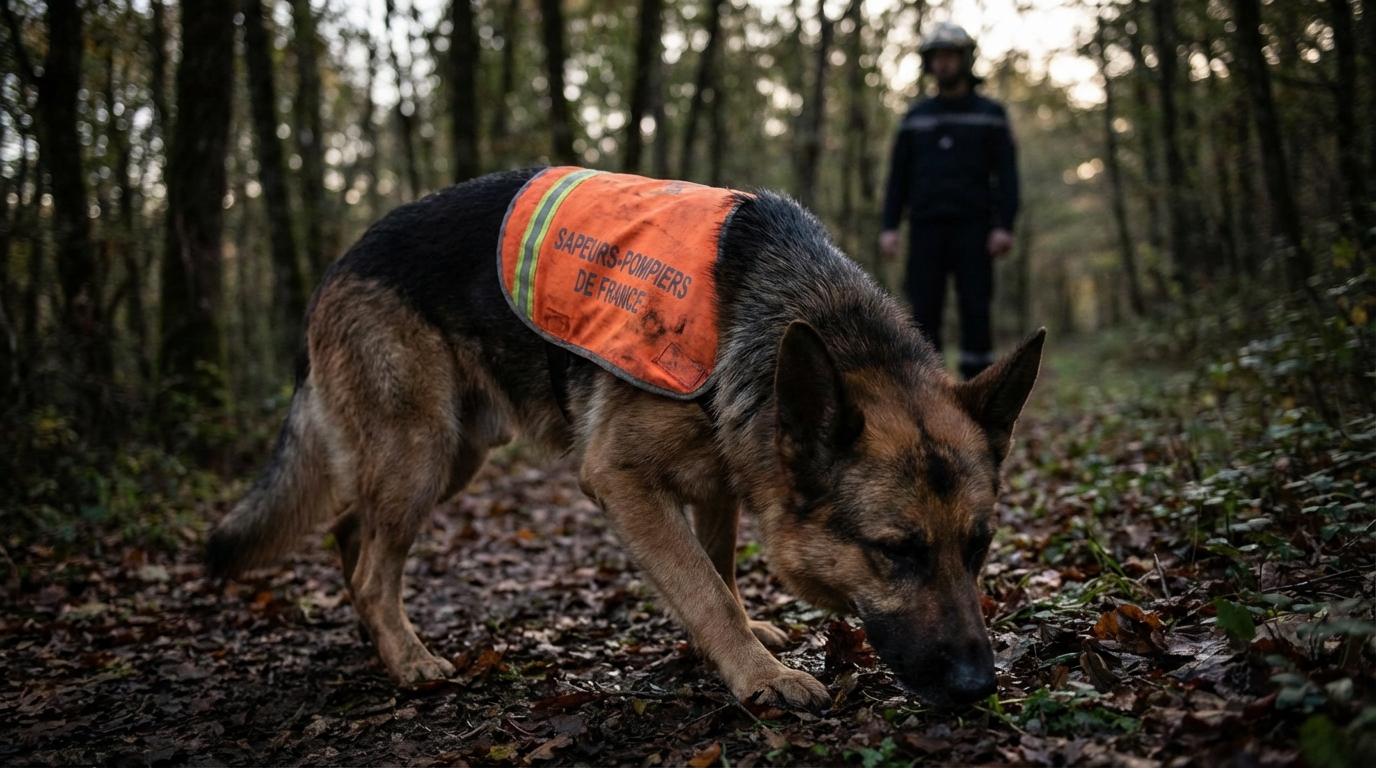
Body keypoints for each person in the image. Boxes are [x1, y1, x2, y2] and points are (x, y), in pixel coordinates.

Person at [880, 22, 1019, 381]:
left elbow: (1007, 175)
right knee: (923, 311)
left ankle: (979, 391)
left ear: (964, 59)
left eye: (949, 56)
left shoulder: (990, 114)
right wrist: (890, 226)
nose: (942, 64)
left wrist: (1004, 225)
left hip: (976, 229)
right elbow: (898, 177)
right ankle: (929, 387)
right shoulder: (915, 118)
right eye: (936, 57)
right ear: (929, 63)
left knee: (976, 309)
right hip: (925, 228)